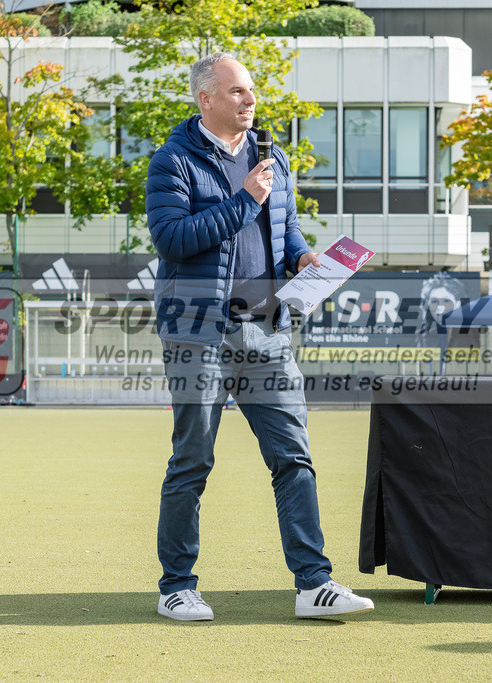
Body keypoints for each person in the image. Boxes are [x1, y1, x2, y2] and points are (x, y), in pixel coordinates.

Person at [145, 53, 374, 621]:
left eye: (251, 91)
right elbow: (173, 240)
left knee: (293, 457)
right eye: (238, 92)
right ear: (206, 99)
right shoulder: (172, 161)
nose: (250, 100)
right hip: (199, 333)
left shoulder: (273, 158)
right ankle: (176, 586)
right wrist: (245, 198)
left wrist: (302, 257)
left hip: (267, 331)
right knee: (192, 460)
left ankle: (313, 584)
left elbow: (286, 228)